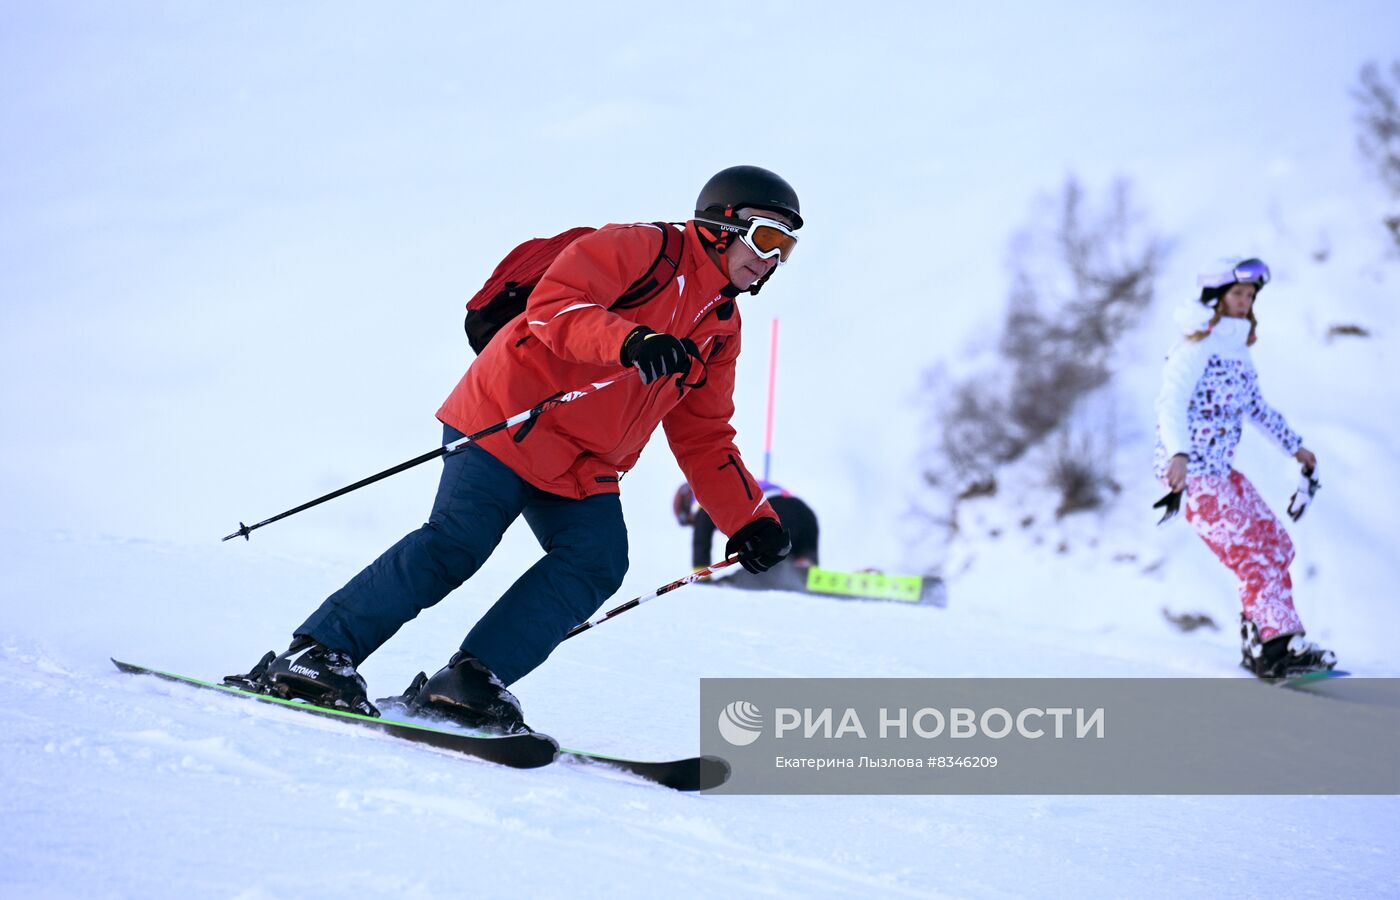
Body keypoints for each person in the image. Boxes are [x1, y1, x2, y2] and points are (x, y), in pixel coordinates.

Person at [225, 165, 803, 730]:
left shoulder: (721, 328)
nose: (773, 257)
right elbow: (556, 306)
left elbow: (703, 435)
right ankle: (316, 654)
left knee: (596, 562)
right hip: (509, 417)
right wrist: (629, 340)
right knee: (459, 541)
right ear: (718, 226)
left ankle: (470, 681)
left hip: (584, 463)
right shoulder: (640, 248)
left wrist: (750, 520)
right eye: (767, 236)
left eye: (787, 247)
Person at [1152, 257, 1336, 678]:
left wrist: (1297, 449)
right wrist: (1178, 453)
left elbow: (1256, 407)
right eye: (1237, 294)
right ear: (1215, 299)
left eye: (1250, 296)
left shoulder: (1235, 352)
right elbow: (1171, 403)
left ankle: (1261, 640)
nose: (1245, 301)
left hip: (1220, 472)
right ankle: (1278, 646)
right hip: (1193, 476)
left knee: (1275, 544)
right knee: (1251, 554)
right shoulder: (1194, 348)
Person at [674, 480, 820, 569]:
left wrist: (702, 574)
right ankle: (807, 569)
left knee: (762, 563)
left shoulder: (701, 497)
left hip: (776, 510)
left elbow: (702, 535)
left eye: (691, 522)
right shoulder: (727, 484)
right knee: (802, 563)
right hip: (804, 513)